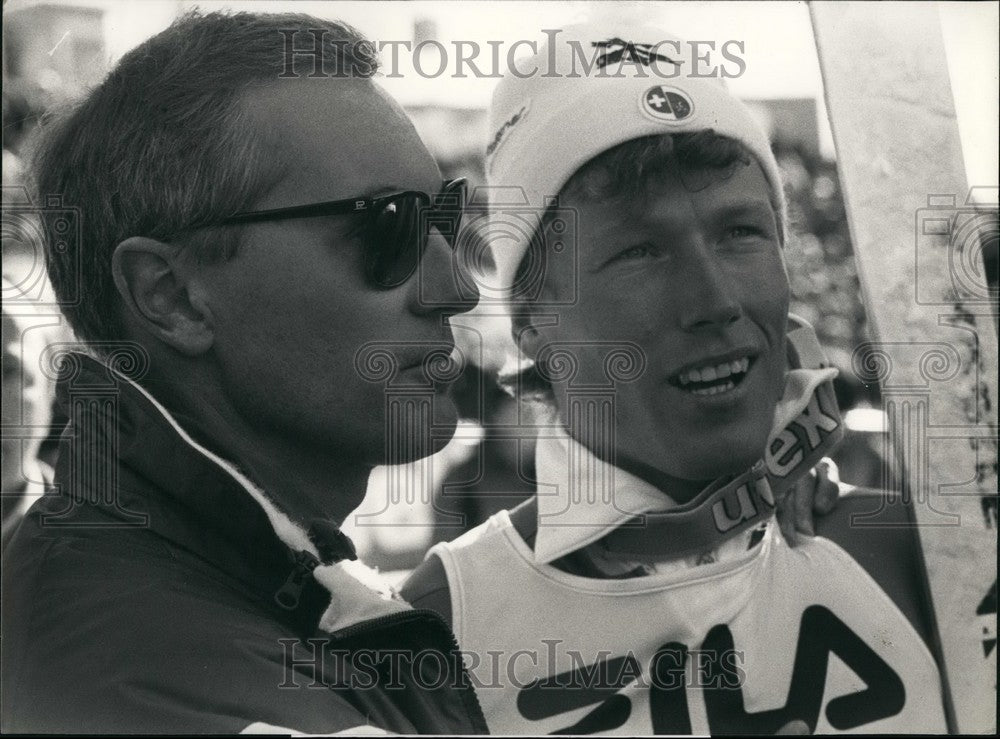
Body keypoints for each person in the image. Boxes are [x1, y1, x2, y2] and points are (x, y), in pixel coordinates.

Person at [402, 23, 947, 734]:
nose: (715, 300)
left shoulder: (924, 555)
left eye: (741, 233)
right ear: (532, 319)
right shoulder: (446, 624)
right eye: (639, 251)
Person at [1, 11, 488, 734]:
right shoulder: (146, 674)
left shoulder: (229, 583)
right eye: (389, 224)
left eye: (444, 217)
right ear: (171, 296)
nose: (457, 286)